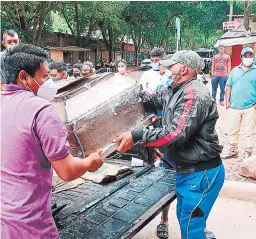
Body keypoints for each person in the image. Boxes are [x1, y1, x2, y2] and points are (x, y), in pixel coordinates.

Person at [114, 50, 225, 239]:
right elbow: (157, 99)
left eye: (171, 65)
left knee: (192, 226)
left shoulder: (194, 94)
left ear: (184, 69)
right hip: (185, 169)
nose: (166, 69)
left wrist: (137, 135)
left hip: (200, 173)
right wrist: (130, 91)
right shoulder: (176, 88)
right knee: (186, 218)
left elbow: (175, 134)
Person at [1, 44, 103, 239]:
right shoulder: (41, 109)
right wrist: (91, 162)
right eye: (45, 76)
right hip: (30, 224)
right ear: (24, 77)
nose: (49, 82)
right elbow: (67, 171)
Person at [223, 47, 256, 159]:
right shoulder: (234, 71)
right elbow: (228, 86)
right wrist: (227, 101)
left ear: (253, 57)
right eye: (245, 56)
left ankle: (248, 152)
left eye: (250, 56)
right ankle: (233, 150)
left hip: (250, 107)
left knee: (249, 131)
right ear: (241, 57)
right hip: (234, 106)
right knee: (233, 130)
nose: (248, 58)